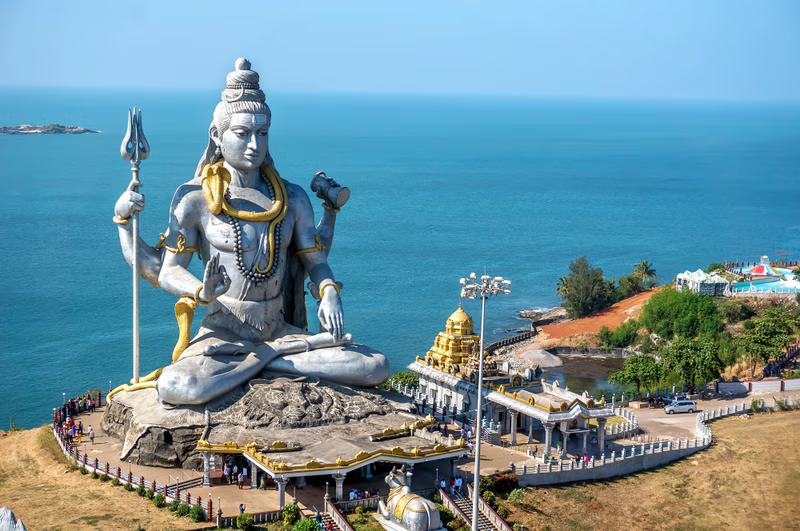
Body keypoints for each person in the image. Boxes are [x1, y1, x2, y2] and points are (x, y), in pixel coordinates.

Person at [112, 58, 390, 406]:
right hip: (223, 334)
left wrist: (329, 290)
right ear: (217, 135)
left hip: (280, 331)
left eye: (262, 134)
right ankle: (270, 363)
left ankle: (264, 361)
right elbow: (166, 271)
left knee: (374, 366)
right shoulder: (194, 198)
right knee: (180, 385)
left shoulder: (292, 198)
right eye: (242, 134)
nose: (254, 145)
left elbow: (315, 261)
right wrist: (201, 290)